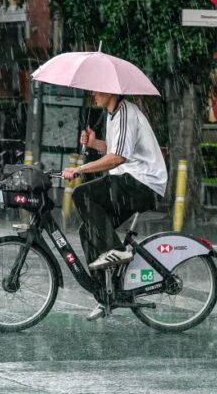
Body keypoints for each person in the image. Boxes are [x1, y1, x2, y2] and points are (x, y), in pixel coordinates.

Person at [62, 91, 167, 320]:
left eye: (96, 90)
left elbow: (118, 158)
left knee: (82, 194)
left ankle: (117, 250)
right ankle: (107, 294)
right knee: (88, 230)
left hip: (142, 182)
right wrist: (94, 143)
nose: (92, 95)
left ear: (110, 90)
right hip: (128, 181)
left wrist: (79, 169)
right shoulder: (113, 114)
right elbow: (115, 148)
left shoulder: (126, 112)